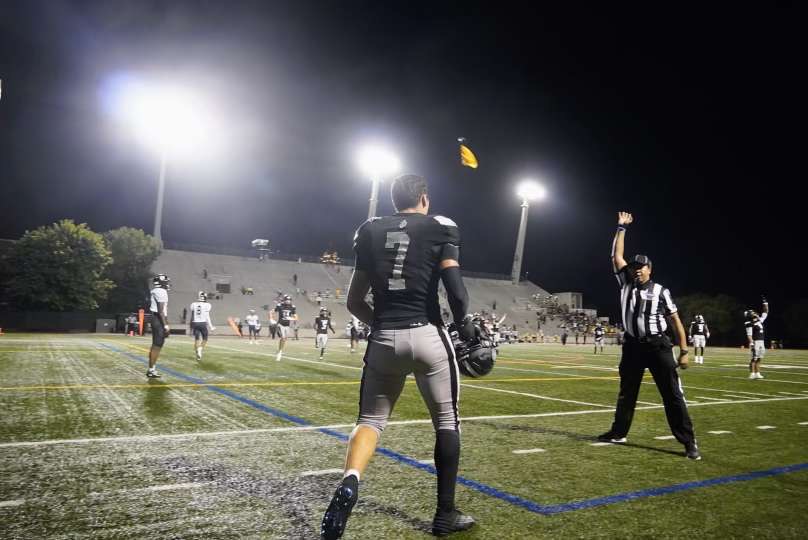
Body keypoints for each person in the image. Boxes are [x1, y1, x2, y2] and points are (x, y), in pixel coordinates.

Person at [321, 174, 476, 539]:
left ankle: (350, 482)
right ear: (424, 198)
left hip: (384, 336)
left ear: (393, 200)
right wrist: (464, 322)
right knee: (447, 421)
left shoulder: (370, 230)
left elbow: (354, 301)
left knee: (370, 422)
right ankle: (445, 514)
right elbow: (454, 288)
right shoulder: (441, 226)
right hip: (428, 334)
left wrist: (385, 325)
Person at [598, 212, 701, 460]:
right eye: (634, 267)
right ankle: (619, 432)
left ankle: (688, 441)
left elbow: (675, 320)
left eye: (641, 267)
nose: (636, 271)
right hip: (632, 347)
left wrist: (684, 351)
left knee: (672, 395)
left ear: (650, 269)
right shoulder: (625, 283)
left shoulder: (661, 291)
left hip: (658, 347)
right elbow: (616, 256)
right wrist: (621, 228)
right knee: (627, 392)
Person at [147, 274, 171, 378]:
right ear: (161, 282)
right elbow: (161, 311)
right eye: (165, 282)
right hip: (157, 318)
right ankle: (151, 370)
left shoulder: (157, 291)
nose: (167, 283)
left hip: (156, 318)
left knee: (157, 344)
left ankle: (152, 369)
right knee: (157, 345)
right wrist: (165, 325)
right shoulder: (161, 292)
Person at [745, 297, 769, 379]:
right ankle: (752, 373)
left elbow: (766, 312)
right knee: (753, 358)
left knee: (759, 358)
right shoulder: (749, 323)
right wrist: (751, 342)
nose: (755, 313)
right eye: (753, 313)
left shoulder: (760, 320)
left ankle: (757, 373)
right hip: (755, 341)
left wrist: (765, 303)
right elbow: (749, 335)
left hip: (761, 341)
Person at [189, 291, 215, 360]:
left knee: (197, 339)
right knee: (205, 339)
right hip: (203, 323)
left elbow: (192, 317)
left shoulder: (193, 304)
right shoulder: (207, 305)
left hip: (195, 323)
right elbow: (207, 317)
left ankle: (197, 356)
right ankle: (200, 349)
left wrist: (190, 328)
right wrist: (211, 326)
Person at [271, 295, 297, 360]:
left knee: (284, 339)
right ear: (284, 300)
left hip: (287, 325)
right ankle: (279, 353)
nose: (288, 301)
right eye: (287, 300)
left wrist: (291, 318)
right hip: (280, 324)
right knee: (282, 337)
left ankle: (280, 350)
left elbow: (296, 317)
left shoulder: (292, 307)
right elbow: (271, 311)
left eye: (289, 300)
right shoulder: (280, 306)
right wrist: (271, 319)